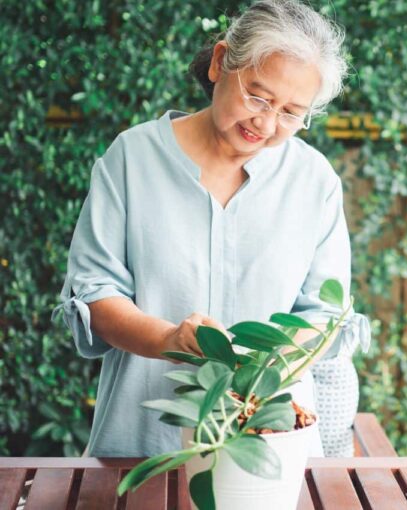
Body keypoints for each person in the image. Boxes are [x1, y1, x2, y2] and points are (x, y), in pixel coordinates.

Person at [53, 0, 369, 458]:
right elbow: (95, 296)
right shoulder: (132, 158)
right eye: (258, 97)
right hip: (144, 443)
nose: (266, 123)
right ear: (222, 62)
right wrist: (169, 340)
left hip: (270, 447)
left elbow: (323, 314)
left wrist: (259, 372)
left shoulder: (314, 181)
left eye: (290, 112)